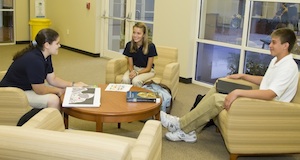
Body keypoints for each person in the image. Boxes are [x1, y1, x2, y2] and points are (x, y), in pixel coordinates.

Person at [160, 28, 299, 143]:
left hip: (268, 108)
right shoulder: (277, 60)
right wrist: (243, 76)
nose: (270, 45)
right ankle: (188, 128)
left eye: (274, 42)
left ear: (285, 45)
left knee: (217, 100)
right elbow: (266, 80)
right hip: (262, 100)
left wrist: (238, 92)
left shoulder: (288, 67)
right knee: (218, 85)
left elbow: (270, 94)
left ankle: (181, 125)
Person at [0, 28, 87, 111]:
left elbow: (52, 79)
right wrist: (59, 91)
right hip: (13, 93)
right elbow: (40, 90)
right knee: (54, 100)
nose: (59, 46)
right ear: (47, 45)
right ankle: (52, 125)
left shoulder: (45, 55)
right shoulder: (35, 60)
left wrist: (73, 85)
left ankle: (56, 123)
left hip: (26, 87)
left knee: (60, 89)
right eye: (57, 43)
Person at [121, 22, 158, 87]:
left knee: (136, 81)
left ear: (144, 34)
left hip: (147, 71)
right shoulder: (129, 45)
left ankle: (138, 97)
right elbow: (130, 65)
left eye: (138, 33)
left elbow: (148, 68)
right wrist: (132, 71)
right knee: (125, 79)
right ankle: (125, 96)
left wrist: (137, 73)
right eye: (134, 32)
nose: (135, 35)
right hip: (134, 68)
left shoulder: (151, 46)